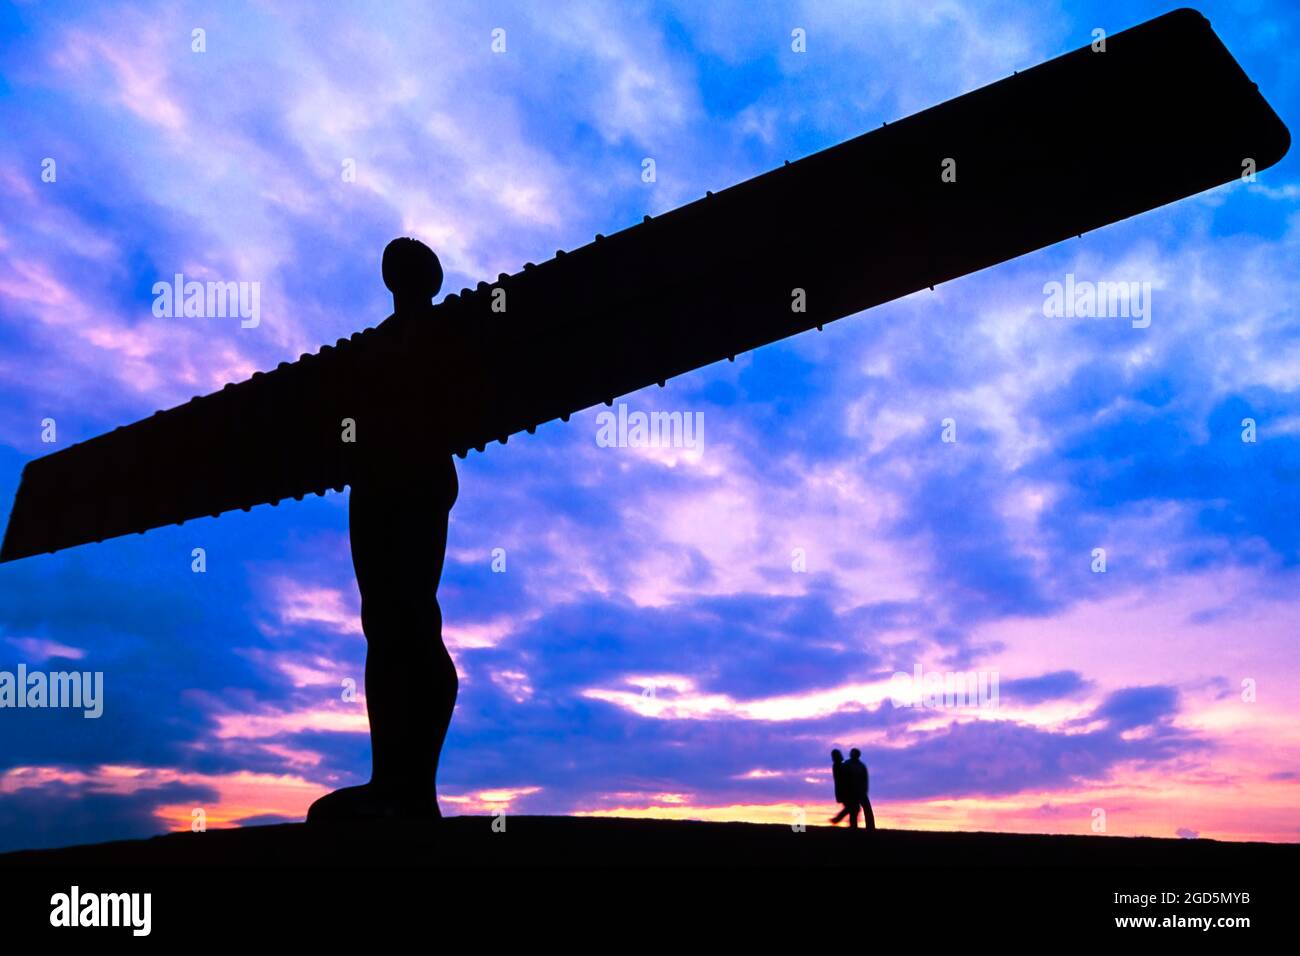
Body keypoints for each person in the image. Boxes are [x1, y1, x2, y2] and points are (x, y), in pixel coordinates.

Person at [308, 238, 459, 822]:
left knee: (408, 616)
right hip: (377, 482)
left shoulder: (442, 335)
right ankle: (395, 781)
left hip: (412, 481)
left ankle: (410, 787)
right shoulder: (373, 348)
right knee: (384, 620)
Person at [843, 748, 876, 831]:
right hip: (852, 791)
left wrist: (865, 790)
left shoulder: (861, 766)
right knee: (853, 810)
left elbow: (865, 779)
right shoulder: (847, 764)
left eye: (854, 753)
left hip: (861, 791)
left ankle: (870, 827)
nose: (853, 755)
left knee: (866, 809)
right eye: (853, 753)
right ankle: (854, 827)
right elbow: (843, 778)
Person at [829, 749, 852, 824]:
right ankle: (837, 819)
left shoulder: (838, 765)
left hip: (843, 790)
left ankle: (837, 819)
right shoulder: (839, 766)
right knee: (851, 808)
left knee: (851, 808)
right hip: (844, 790)